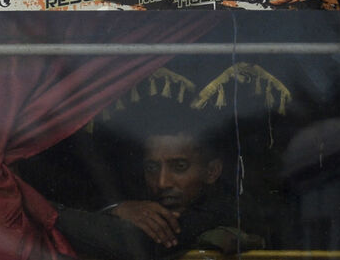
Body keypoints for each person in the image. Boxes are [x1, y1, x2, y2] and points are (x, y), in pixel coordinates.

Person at [53, 110, 264, 260]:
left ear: (211, 172)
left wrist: (46, 212)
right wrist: (117, 209)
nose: (162, 182)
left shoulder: (230, 208)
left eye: (179, 167)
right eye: (152, 168)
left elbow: (142, 243)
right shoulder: (150, 204)